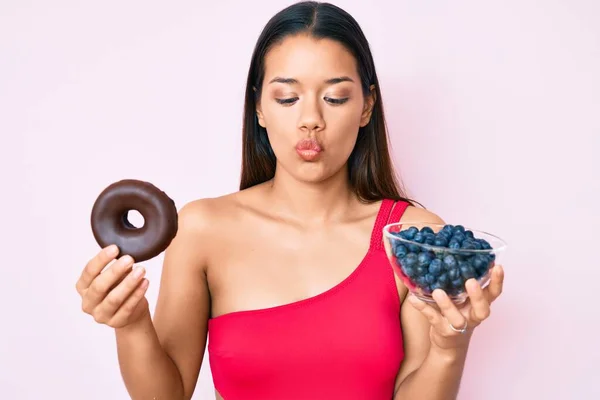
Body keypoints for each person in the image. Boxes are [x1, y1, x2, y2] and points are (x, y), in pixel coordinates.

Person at [75, 1, 504, 399]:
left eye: (335, 97)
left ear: (367, 106)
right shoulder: (202, 229)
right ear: (259, 107)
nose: (311, 120)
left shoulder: (413, 238)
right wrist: (130, 324)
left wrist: (450, 346)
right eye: (286, 97)